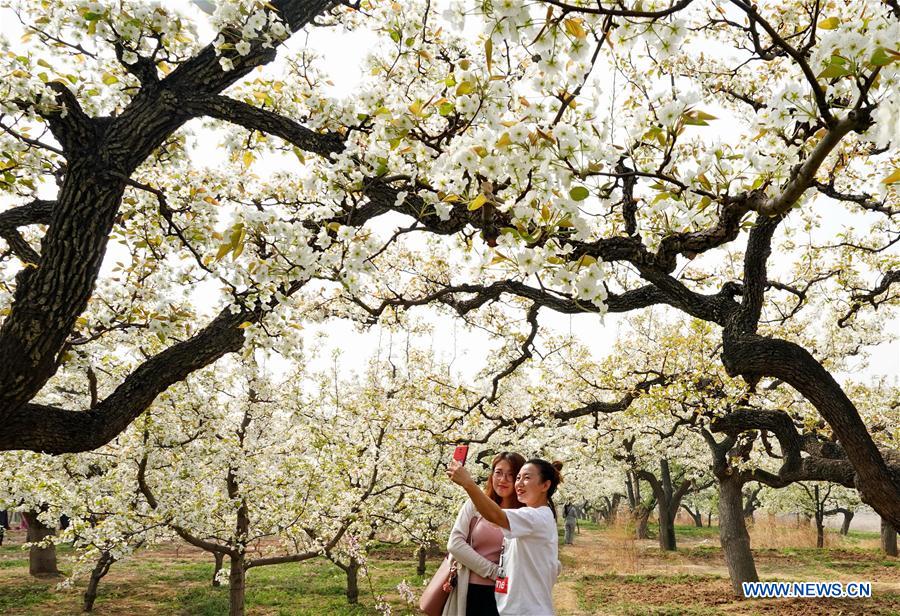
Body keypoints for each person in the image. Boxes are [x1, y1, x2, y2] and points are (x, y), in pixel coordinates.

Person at [449, 458, 563, 616]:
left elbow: (495, 515)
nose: (519, 483)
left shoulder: (535, 517)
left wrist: (468, 483)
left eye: (527, 477)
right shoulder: (534, 517)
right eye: (518, 478)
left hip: (527, 610)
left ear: (545, 485)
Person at [444, 451, 526, 616]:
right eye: (498, 473)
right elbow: (455, 544)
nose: (503, 480)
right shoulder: (474, 505)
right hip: (471, 590)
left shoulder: (524, 514)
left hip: (510, 594)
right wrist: (495, 572)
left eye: (511, 475)